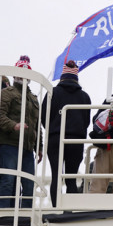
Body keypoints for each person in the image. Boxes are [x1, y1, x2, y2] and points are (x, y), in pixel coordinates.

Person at [41, 60, 91, 205]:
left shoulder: (52, 93)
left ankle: (56, 207)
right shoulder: (84, 97)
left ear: (62, 76)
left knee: (56, 175)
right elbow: (86, 121)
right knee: (71, 179)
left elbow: (44, 117)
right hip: (75, 141)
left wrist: (52, 130)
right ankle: (69, 210)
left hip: (55, 139)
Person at [0, 56, 40, 208]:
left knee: (28, 184)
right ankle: (3, 214)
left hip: (27, 148)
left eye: (26, 72)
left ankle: (26, 216)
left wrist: (38, 146)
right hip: (9, 145)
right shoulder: (7, 92)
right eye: (19, 71)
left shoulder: (34, 98)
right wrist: (13, 125)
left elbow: (37, 125)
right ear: (14, 74)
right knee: (8, 180)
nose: (22, 75)